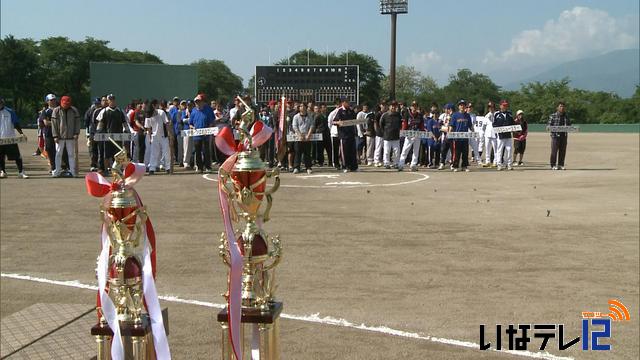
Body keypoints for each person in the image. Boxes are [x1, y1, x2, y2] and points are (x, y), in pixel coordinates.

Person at [96, 94, 128, 172]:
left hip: (118, 136)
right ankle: (106, 169)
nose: (112, 101)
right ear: (108, 101)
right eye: (110, 100)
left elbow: (125, 123)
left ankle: (117, 169)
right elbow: (101, 123)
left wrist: (127, 131)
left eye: (113, 99)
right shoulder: (104, 111)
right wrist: (98, 131)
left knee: (118, 154)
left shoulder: (120, 111)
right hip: (108, 136)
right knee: (106, 154)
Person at [51, 95, 81, 177]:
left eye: (67, 104)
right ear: (61, 103)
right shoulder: (56, 111)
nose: (66, 105)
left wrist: (76, 133)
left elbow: (77, 123)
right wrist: (55, 135)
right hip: (59, 137)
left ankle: (72, 171)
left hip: (71, 136)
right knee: (58, 154)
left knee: (71, 155)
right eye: (64, 104)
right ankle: (57, 171)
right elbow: (54, 124)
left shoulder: (74, 110)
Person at [0, 97, 29, 178]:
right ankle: (3, 171)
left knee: (17, 156)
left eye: (0, 103)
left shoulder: (10, 111)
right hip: (0, 139)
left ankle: (21, 172)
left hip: (10, 138)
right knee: (1, 156)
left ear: (3, 103)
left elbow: (16, 123)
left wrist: (21, 133)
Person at [144, 100, 171, 175]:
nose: (150, 115)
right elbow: (148, 128)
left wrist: (169, 134)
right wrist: (150, 138)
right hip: (154, 136)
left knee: (166, 152)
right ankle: (152, 168)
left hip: (163, 136)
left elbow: (167, 123)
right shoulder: (148, 116)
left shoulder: (161, 113)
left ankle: (168, 167)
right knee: (153, 153)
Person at [189, 94, 213, 173]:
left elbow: (212, 121)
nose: (197, 103)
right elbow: (190, 123)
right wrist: (192, 127)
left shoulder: (208, 110)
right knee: (197, 151)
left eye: (199, 101)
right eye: (196, 102)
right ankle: (199, 167)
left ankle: (208, 166)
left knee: (206, 150)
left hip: (206, 134)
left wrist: (208, 129)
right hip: (197, 135)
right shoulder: (193, 111)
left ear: (203, 102)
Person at [397, 102, 424, 171]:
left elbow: (421, 125)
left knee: (416, 150)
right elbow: (405, 124)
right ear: (411, 107)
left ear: (417, 107)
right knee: (405, 149)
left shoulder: (420, 115)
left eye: (415, 106)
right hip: (409, 134)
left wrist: (422, 131)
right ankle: (401, 164)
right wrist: (403, 131)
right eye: (413, 106)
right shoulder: (407, 114)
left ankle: (413, 165)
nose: (414, 107)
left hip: (417, 134)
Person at [448, 100, 474, 172]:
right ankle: (455, 165)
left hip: (465, 137)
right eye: (461, 105)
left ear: (465, 106)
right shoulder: (455, 115)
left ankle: (464, 166)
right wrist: (450, 133)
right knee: (457, 153)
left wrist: (474, 132)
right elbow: (451, 125)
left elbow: (470, 126)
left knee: (465, 152)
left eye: (463, 105)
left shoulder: (467, 115)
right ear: (458, 106)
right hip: (457, 138)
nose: (462, 106)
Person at [334, 98, 358, 172]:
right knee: (344, 151)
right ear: (343, 103)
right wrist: (339, 123)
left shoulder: (351, 111)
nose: (348, 103)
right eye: (347, 102)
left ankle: (353, 167)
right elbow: (334, 121)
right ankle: (345, 166)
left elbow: (355, 120)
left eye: (349, 102)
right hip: (343, 135)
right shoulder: (340, 111)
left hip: (351, 134)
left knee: (353, 151)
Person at [292, 104, 315, 174]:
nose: (302, 107)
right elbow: (294, 126)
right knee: (297, 153)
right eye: (301, 106)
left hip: (307, 137)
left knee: (307, 153)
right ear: (299, 108)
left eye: (303, 106)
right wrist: (299, 135)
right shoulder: (296, 116)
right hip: (298, 138)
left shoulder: (310, 116)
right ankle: (296, 167)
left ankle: (308, 167)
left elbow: (312, 125)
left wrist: (308, 135)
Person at [547, 101, 571, 170]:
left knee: (563, 151)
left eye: (563, 106)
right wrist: (554, 129)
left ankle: (561, 164)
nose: (562, 108)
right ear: (557, 108)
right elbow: (548, 126)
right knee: (554, 151)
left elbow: (569, 125)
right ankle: (553, 165)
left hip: (564, 136)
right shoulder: (553, 116)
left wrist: (570, 128)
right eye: (560, 106)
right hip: (555, 136)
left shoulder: (566, 116)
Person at [493, 99, 514, 171]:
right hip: (501, 136)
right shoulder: (497, 114)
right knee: (500, 150)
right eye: (503, 105)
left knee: (509, 149)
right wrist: (498, 130)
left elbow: (513, 123)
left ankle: (509, 164)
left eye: (506, 105)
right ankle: (499, 164)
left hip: (508, 135)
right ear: (500, 106)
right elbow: (494, 124)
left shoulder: (510, 114)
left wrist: (515, 128)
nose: (505, 107)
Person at [380, 101, 402, 169]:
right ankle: (386, 163)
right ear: (389, 107)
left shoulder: (398, 115)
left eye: (395, 106)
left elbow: (400, 125)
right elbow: (381, 124)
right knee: (387, 151)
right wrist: (384, 132)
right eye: (392, 106)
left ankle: (396, 163)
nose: (393, 107)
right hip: (387, 136)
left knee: (396, 151)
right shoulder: (385, 115)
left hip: (396, 136)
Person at [438, 103, 454, 170]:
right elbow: (439, 125)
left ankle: (452, 164)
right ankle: (442, 163)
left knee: (453, 151)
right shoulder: (442, 116)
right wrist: (443, 128)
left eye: (448, 109)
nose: (446, 110)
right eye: (446, 109)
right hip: (445, 135)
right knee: (443, 150)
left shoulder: (454, 116)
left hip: (452, 135)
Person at [482, 101, 498, 168]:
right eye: (489, 107)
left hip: (495, 134)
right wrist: (484, 133)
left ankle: (495, 162)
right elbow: (484, 126)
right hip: (487, 134)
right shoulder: (486, 115)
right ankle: (487, 161)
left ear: (494, 107)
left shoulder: (497, 114)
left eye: (492, 107)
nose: (490, 108)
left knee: (495, 149)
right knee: (487, 149)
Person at [372, 102, 386, 167]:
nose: (384, 106)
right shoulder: (378, 114)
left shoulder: (386, 114)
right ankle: (376, 161)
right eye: (383, 105)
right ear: (380, 106)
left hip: (386, 133)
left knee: (385, 148)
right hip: (379, 133)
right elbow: (375, 123)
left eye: (385, 105)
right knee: (378, 147)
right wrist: (376, 130)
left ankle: (383, 160)